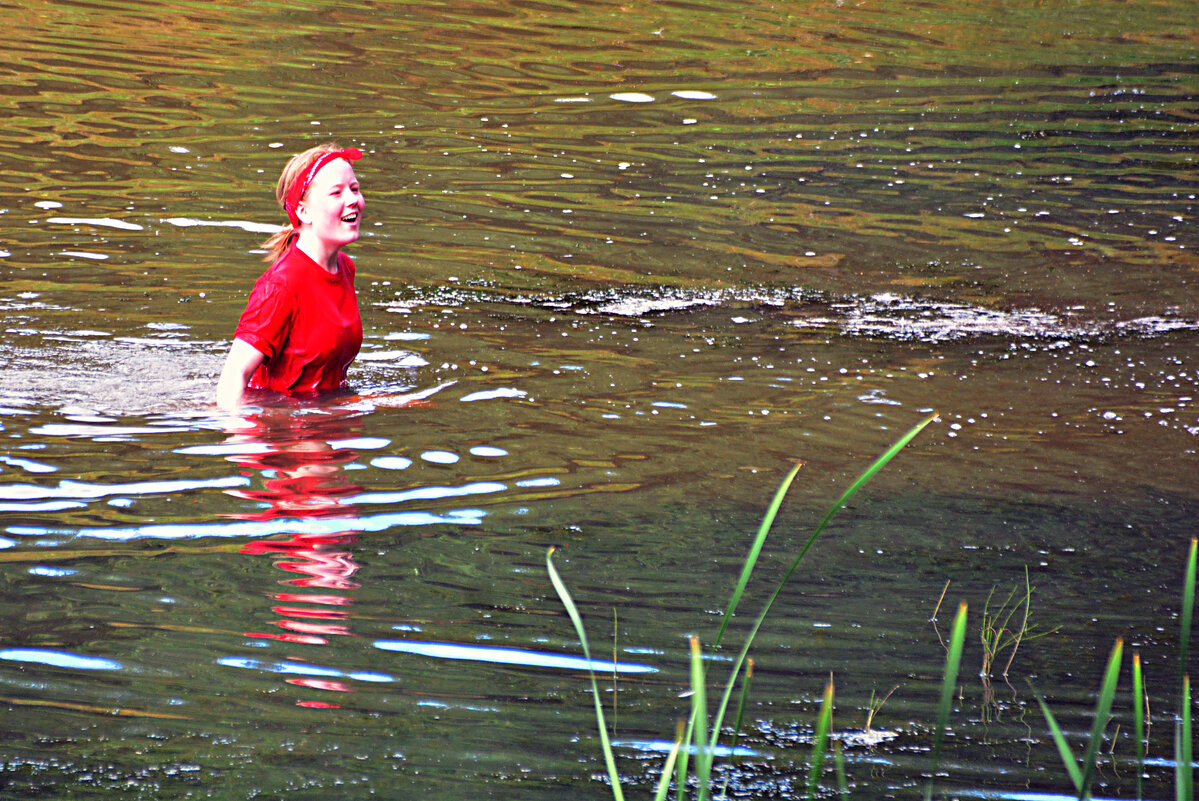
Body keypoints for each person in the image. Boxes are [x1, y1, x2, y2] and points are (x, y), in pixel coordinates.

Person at [215, 143, 366, 410]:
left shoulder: (344, 267)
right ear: (302, 211)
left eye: (354, 189)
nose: (353, 199)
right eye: (336, 192)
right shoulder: (281, 285)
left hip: (327, 422)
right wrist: (246, 445)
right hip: (287, 430)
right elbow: (233, 377)